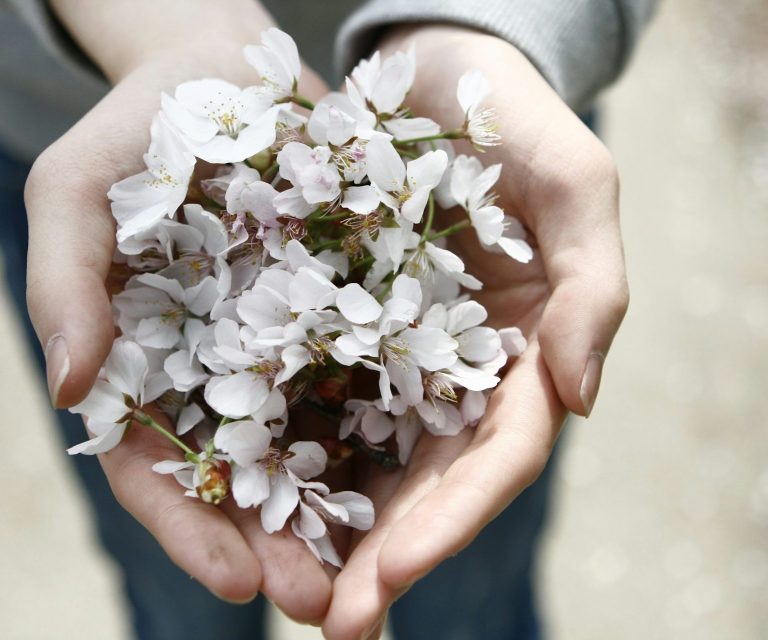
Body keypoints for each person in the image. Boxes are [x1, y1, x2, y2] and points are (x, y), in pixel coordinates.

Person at [1, 1, 656, 638]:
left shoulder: (406, 221)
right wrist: (167, 27)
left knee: (471, 602)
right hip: (81, 116)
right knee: (183, 602)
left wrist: (503, 28)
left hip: (493, 81)